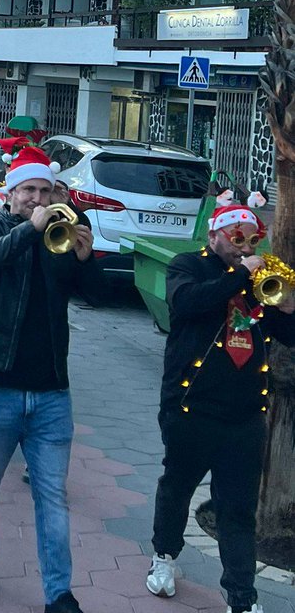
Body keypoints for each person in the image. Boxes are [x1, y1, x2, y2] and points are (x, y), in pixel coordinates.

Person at [0, 145, 103, 610]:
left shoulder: (62, 229)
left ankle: (58, 593)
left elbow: (93, 296)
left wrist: (86, 259)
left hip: (51, 391)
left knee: (52, 497)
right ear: (12, 191)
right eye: (29, 191)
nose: (38, 199)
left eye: (45, 190)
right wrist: (28, 231)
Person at [145, 198, 295, 613]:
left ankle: (242, 597)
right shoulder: (187, 266)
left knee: (238, 508)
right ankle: (164, 556)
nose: (244, 245)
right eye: (235, 237)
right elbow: (187, 304)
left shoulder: (261, 277)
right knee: (176, 486)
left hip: (245, 415)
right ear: (214, 236)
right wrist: (239, 275)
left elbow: (288, 335)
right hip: (191, 407)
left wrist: (287, 308)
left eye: (250, 238)